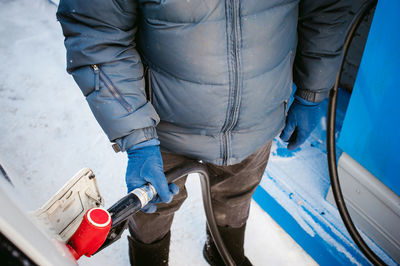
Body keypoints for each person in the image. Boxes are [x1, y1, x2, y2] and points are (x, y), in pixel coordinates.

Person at [57, 0, 357, 265]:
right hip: (164, 129)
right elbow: (96, 33)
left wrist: (311, 91)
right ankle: (150, 259)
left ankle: (223, 252)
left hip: (258, 120)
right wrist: (138, 136)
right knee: (155, 208)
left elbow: (327, 9)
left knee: (237, 196)